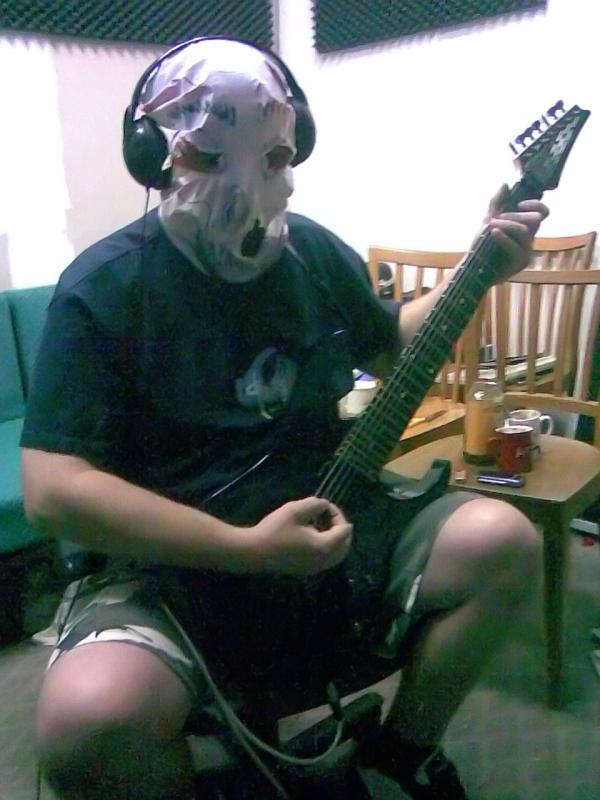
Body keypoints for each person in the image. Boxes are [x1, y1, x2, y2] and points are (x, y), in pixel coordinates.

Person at [21, 37, 548, 800]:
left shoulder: (311, 253)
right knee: (86, 720)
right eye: (210, 157)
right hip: (176, 562)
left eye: (272, 159)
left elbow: (390, 340)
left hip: (331, 519)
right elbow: (52, 489)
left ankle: (404, 750)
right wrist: (244, 549)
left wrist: (481, 266)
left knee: (505, 540)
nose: (247, 186)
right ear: (155, 155)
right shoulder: (102, 288)